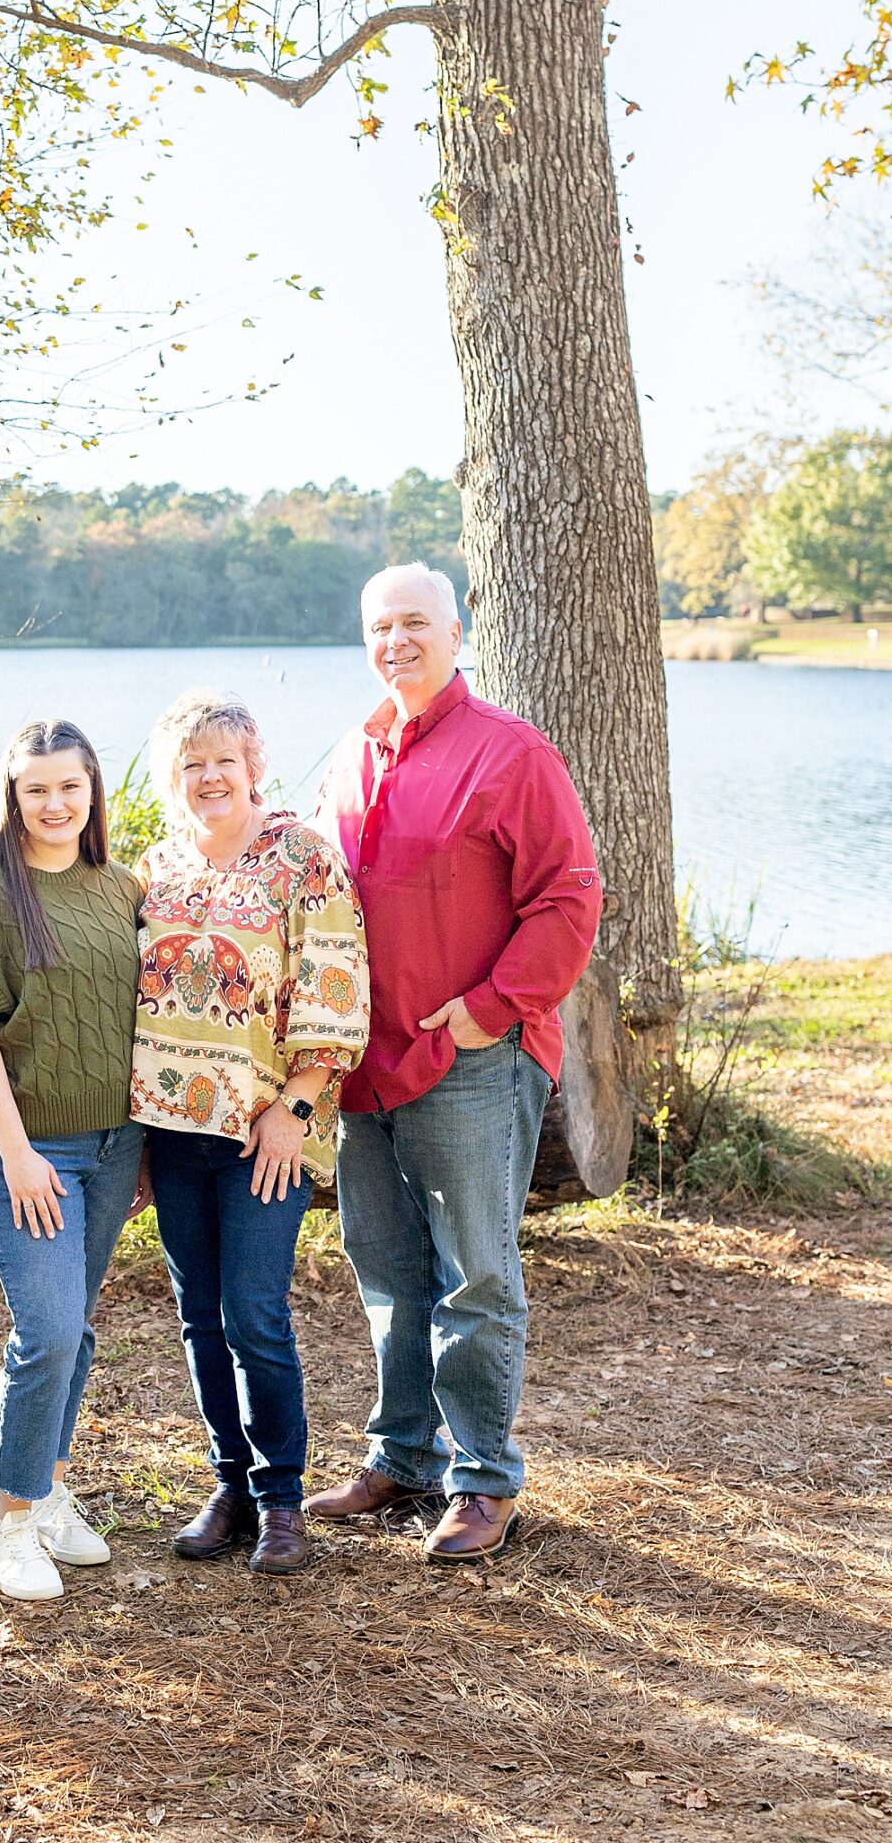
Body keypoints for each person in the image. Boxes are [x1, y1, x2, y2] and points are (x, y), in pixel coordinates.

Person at [310, 563, 603, 1565]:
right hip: (364, 1067)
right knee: (387, 1268)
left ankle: (483, 1476)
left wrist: (487, 1013)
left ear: (456, 628)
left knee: (473, 1275)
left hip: (471, 1059)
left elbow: (569, 900)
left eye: (415, 623)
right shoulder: (351, 752)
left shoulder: (512, 753)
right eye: (380, 625)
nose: (397, 640)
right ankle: (404, 1454)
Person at [132, 691, 368, 1576]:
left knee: (254, 1313)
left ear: (253, 765)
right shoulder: (154, 867)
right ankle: (226, 1485)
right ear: (173, 778)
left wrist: (294, 1107)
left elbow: (334, 990)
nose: (208, 777)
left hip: (266, 1129)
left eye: (222, 760)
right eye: (190, 764)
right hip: (171, 1131)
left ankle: (280, 1501)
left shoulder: (301, 859)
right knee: (199, 1316)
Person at [0, 720, 144, 1604]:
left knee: (77, 1325)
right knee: (47, 1328)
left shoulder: (119, 885)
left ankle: (48, 1485)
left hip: (113, 1143)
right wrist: (16, 1152)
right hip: (19, 1144)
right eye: (34, 789)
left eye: (69, 787)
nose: (54, 805)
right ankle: (10, 1520)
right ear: (11, 798)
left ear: (92, 790)